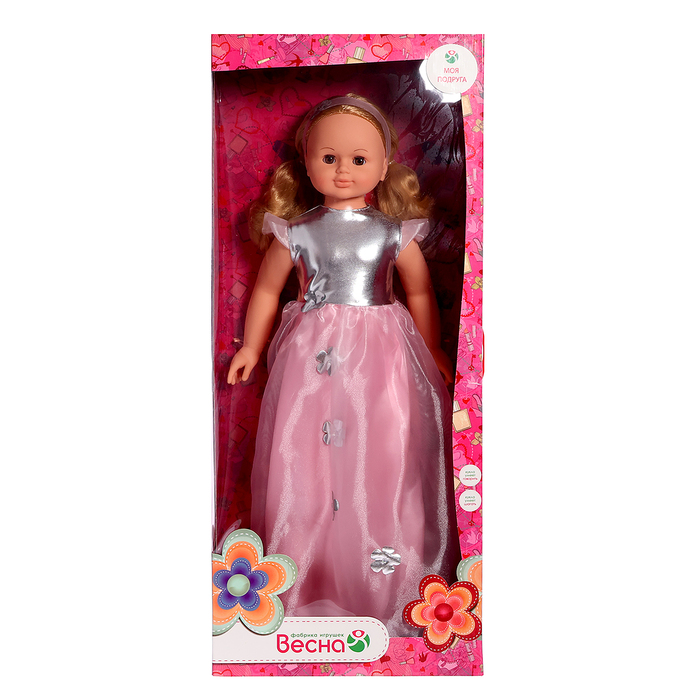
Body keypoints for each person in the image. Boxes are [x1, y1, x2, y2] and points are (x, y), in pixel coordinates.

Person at [227, 94, 460, 635]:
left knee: (384, 452)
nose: (343, 170)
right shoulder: (297, 231)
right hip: (313, 358)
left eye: (359, 159)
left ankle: (384, 579)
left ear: (384, 165)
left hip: (382, 354)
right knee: (305, 452)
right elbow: (267, 291)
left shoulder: (392, 232)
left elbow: (420, 293)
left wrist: (432, 349)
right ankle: (304, 573)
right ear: (306, 164)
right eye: (328, 157)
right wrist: (252, 347)